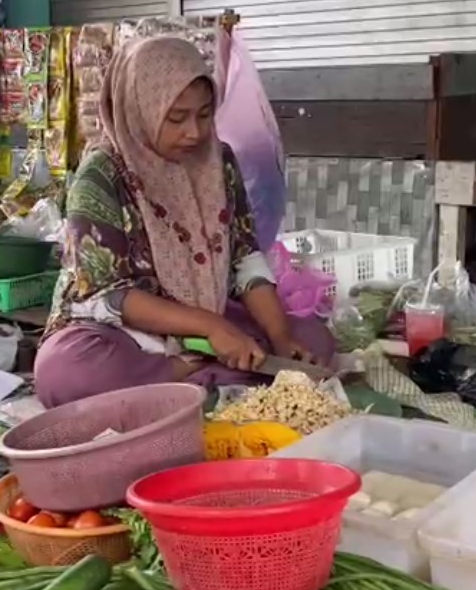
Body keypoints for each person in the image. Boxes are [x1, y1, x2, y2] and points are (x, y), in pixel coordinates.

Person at [34, 37, 335, 408]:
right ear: (140, 109)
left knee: (314, 339)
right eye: (176, 118)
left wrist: (280, 337)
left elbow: (245, 261)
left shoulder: (218, 161)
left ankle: (192, 377)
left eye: (205, 114)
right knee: (65, 372)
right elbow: (106, 296)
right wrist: (210, 327)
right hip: (121, 333)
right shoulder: (101, 175)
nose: (194, 132)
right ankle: (196, 373)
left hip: (208, 318)